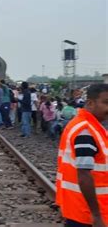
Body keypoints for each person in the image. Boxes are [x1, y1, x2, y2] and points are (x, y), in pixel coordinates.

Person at [56, 84, 108, 226]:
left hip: (80, 207)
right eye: (106, 103)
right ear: (90, 103)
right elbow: (84, 174)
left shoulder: (86, 125)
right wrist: (96, 216)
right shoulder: (85, 132)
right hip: (87, 212)